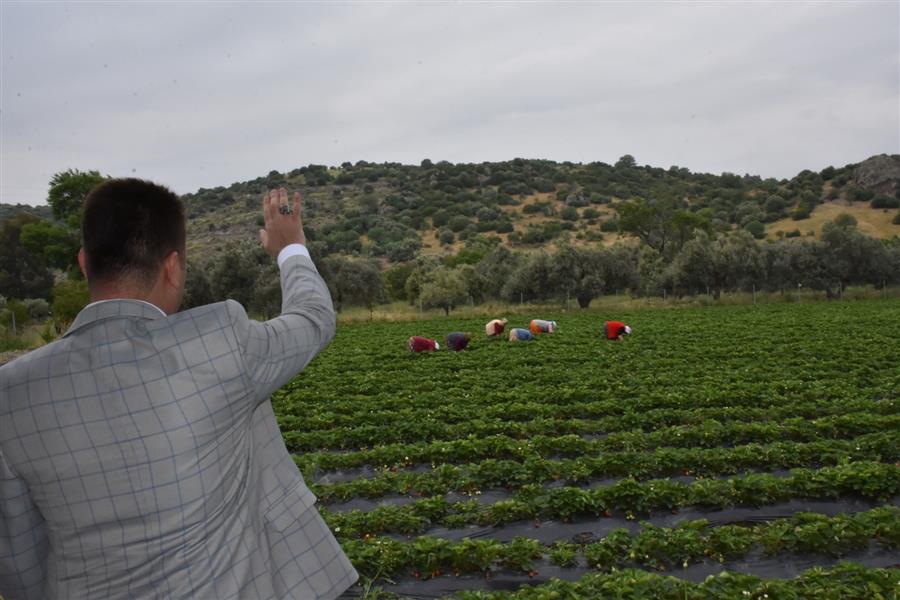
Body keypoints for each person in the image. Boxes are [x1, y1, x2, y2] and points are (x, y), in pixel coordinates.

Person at [0, 181, 357, 600]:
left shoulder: (10, 391)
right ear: (172, 267)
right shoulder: (221, 340)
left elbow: (21, 564)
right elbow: (313, 317)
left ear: (83, 263)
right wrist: (290, 247)